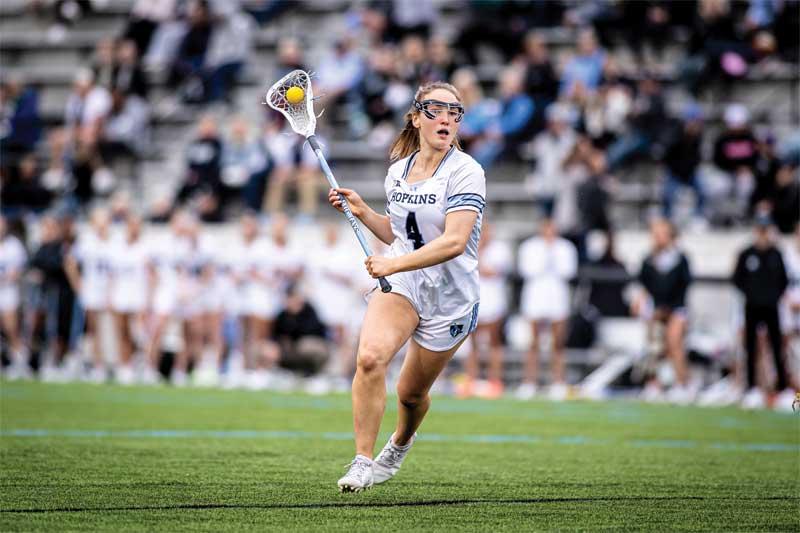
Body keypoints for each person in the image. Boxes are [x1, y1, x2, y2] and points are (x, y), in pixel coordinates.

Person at [328, 81, 484, 492]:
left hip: (451, 296)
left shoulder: (467, 171)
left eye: (455, 112)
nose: (447, 118)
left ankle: (399, 442)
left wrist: (392, 261)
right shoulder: (397, 171)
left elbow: (452, 242)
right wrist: (363, 211)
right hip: (406, 282)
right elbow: (401, 232)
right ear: (416, 117)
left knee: (410, 394)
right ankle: (362, 460)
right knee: (370, 358)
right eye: (436, 109)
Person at [732, 213, 793, 410]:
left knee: (777, 349)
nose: (762, 234)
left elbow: (784, 281)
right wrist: (753, 295)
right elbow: (737, 280)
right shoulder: (746, 254)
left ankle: (783, 390)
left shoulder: (776, 254)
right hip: (751, 308)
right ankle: (752, 389)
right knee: (750, 349)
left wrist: (771, 297)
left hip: (772, 308)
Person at [631, 218, 693, 403]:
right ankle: (654, 383)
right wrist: (641, 302)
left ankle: (682, 383)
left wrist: (668, 308)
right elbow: (643, 284)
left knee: (674, 343)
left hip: (676, 308)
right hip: (655, 309)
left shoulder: (679, 258)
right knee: (654, 347)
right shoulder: (649, 259)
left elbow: (682, 285)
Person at [516, 218, 578, 401]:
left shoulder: (566, 247)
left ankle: (558, 382)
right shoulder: (529, 246)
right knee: (533, 342)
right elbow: (527, 270)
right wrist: (546, 255)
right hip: (535, 298)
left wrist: (552, 254)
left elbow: (568, 271)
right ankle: (529, 382)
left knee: (558, 343)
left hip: (557, 298)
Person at [461, 220, 512, 399]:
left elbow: (491, 272)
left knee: (493, 342)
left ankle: (494, 381)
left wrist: (480, 253)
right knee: (471, 343)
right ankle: (471, 379)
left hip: (493, 301)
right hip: (472, 299)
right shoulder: (468, 246)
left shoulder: (500, 250)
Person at [64, 207, 115, 382]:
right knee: (93, 328)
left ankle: (104, 364)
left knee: (109, 328)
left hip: (110, 291)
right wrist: (78, 285)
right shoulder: (87, 241)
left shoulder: (113, 242)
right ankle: (96, 364)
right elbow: (70, 263)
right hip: (92, 291)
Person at [108, 213, 150, 384]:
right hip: (121, 294)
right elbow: (113, 275)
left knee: (140, 333)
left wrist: (149, 297)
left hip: (138, 295)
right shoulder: (118, 248)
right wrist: (109, 296)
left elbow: (151, 275)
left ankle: (145, 366)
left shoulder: (145, 248)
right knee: (122, 332)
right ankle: (125, 367)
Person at [0, 216, 28, 377]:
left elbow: (19, 268)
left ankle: (20, 363)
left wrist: (7, 278)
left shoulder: (13, 245)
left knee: (11, 328)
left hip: (8, 290)